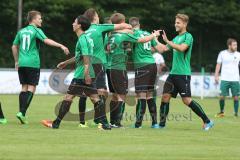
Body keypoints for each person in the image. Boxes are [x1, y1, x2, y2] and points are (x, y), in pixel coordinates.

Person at [41, 15, 111, 130]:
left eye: (74, 22)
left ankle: (56, 123)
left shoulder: (83, 39)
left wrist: (86, 74)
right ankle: (105, 124)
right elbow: (80, 56)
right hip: (89, 72)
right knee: (95, 98)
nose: (73, 24)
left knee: (68, 97)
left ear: (79, 25)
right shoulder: (86, 38)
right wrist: (66, 63)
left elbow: (86, 57)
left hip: (82, 74)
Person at [157, 13, 214, 131]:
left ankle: (207, 121)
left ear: (184, 24)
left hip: (183, 74)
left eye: (178, 23)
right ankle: (161, 125)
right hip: (173, 74)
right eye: (175, 22)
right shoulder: (176, 38)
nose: (175, 24)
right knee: (165, 96)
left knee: (186, 100)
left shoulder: (188, 36)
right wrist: (153, 38)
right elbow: (163, 49)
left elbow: (182, 48)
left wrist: (168, 40)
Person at [12, 10, 69, 124]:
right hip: (32, 63)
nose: (41, 20)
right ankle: (22, 113)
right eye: (39, 18)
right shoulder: (36, 30)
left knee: (24, 87)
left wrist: (17, 61)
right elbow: (46, 40)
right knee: (32, 88)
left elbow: (14, 46)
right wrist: (61, 46)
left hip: (22, 63)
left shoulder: (21, 31)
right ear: (33, 19)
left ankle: (21, 113)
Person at [77, 8, 132, 127]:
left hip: (85, 63)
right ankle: (102, 120)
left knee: (85, 92)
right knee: (103, 92)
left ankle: (83, 121)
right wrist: (126, 30)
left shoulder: (83, 32)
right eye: (97, 16)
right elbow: (124, 26)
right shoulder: (99, 27)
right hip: (99, 63)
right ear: (95, 18)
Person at [106, 13, 160, 128]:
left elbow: (108, 49)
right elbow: (142, 39)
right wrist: (154, 35)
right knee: (122, 95)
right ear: (122, 23)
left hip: (109, 68)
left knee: (114, 95)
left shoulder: (110, 35)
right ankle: (117, 123)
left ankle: (112, 121)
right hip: (119, 68)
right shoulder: (124, 35)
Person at [129, 17, 164, 128]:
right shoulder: (147, 33)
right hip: (152, 65)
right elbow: (160, 49)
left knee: (141, 95)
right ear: (139, 24)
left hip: (142, 66)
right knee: (149, 95)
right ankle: (155, 123)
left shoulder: (132, 34)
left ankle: (138, 124)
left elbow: (127, 47)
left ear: (130, 25)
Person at [215, 38, 240, 117]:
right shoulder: (222, 53)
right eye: (234, 45)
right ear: (229, 45)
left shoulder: (238, 54)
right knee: (222, 96)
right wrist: (216, 75)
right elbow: (218, 64)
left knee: (236, 97)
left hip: (235, 79)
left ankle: (236, 113)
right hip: (224, 79)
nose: (236, 46)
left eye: (236, 45)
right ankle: (221, 112)